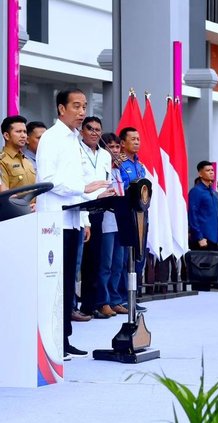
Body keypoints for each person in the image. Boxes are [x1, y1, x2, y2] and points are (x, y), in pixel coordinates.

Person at [35, 88, 111, 360]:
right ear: (60, 109)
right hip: (53, 219)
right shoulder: (52, 138)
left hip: (72, 217)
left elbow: (80, 183)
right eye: (76, 106)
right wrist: (84, 187)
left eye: (84, 106)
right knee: (55, 282)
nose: (81, 112)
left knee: (68, 281)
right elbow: (48, 179)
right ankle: (54, 340)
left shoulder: (74, 140)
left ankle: (64, 337)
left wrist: (94, 196)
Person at [77, 117, 117, 319]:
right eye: (90, 129)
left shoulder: (104, 155)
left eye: (97, 129)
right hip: (81, 208)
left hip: (100, 210)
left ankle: (91, 304)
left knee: (96, 260)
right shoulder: (76, 151)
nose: (94, 133)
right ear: (82, 131)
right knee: (79, 262)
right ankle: (77, 306)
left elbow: (107, 180)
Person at [97, 132, 129, 316]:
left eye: (117, 147)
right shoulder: (103, 167)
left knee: (119, 263)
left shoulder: (119, 169)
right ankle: (104, 301)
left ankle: (116, 299)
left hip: (120, 220)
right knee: (106, 264)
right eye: (111, 147)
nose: (115, 150)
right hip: (106, 221)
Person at [118, 126, 148, 312]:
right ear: (122, 143)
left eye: (138, 139)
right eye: (133, 139)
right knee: (124, 259)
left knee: (139, 257)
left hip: (141, 215)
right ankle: (121, 297)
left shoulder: (140, 165)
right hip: (126, 215)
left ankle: (132, 297)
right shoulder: (119, 164)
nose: (137, 142)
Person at [188, 160, 218, 250]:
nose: (211, 172)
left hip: (214, 239)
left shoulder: (213, 193)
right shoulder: (196, 191)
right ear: (200, 174)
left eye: (212, 170)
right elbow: (193, 215)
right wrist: (199, 237)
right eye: (208, 170)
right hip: (203, 240)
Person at [0, 115, 36, 190]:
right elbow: (4, 195)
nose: (23, 136)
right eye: (18, 131)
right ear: (6, 135)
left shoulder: (27, 161)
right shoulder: (2, 161)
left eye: (25, 132)